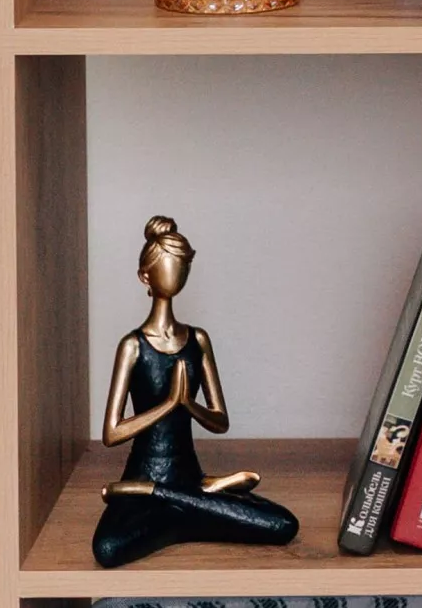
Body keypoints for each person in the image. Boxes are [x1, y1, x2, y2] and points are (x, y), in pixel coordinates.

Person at [92, 216, 299, 568]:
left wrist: (189, 404)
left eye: (182, 264)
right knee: (108, 548)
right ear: (145, 276)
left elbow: (220, 421)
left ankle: (176, 505)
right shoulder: (133, 346)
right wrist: (169, 405)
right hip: (142, 478)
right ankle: (186, 509)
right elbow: (111, 433)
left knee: (282, 524)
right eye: (169, 263)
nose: (176, 271)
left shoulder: (198, 340)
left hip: (188, 478)